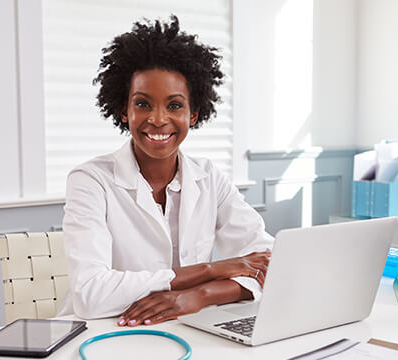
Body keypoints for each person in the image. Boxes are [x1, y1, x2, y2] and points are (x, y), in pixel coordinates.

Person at [58, 16, 274, 327]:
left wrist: (199, 296)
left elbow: (267, 262)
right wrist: (210, 270)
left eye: (174, 106)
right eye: (143, 104)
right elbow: (91, 295)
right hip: (105, 333)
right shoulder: (90, 181)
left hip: (189, 328)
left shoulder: (209, 177)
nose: (158, 119)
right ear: (124, 111)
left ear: (194, 114)